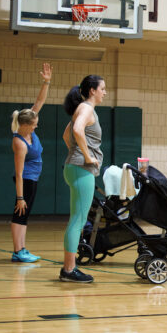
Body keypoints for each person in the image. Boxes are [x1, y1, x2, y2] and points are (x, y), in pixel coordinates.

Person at [60, 75, 106, 283]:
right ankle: (69, 270)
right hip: (81, 168)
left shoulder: (84, 109)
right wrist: (87, 157)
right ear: (92, 91)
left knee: (77, 219)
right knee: (78, 220)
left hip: (75, 167)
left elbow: (66, 134)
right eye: (102, 89)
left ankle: (69, 268)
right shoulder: (86, 108)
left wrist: (76, 154)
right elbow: (77, 130)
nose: (105, 92)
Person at [10, 63, 53, 263]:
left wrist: (46, 81)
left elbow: (39, 101)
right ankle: (18, 251)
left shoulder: (29, 129)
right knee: (20, 213)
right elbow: (18, 173)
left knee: (24, 216)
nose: (37, 126)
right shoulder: (20, 143)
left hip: (32, 178)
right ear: (25, 125)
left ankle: (22, 249)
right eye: (34, 125)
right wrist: (20, 197)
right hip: (25, 180)